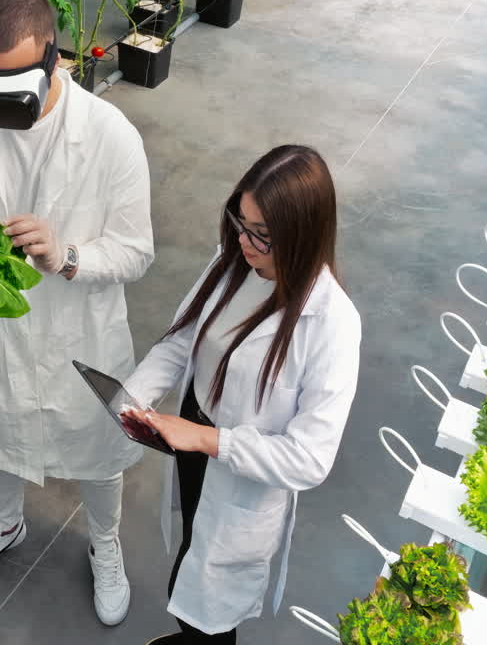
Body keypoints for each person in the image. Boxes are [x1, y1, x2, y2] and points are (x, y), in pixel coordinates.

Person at [0, 0, 154, 626]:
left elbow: (136, 252)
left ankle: (104, 543)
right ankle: (5, 523)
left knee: (100, 444)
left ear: (51, 56)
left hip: (82, 333)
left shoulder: (110, 136)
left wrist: (68, 256)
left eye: (8, 82)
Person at [122, 145, 362, 644]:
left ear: (302, 236)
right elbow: (182, 337)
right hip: (194, 437)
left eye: (261, 235)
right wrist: (132, 398)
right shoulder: (233, 261)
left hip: (239, 465)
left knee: (215, 598)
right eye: (241, 221)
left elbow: (309, 459)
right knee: (193, 549)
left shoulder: (332, 324)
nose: (244, 241)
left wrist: (211, 441)